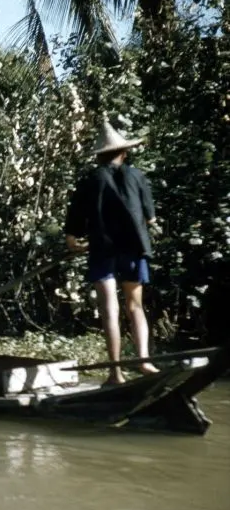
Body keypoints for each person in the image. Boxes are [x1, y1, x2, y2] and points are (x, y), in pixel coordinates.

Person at [64, 121, 160, 385]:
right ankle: (144, 362)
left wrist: (74, 242)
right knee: (135, 305)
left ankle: (115, 373)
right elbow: (150, 219)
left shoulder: (90, 180)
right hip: (133, 247)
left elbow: (73, 227)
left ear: (98, 157)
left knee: (109, 308)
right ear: (124, 153)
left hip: (102, 249)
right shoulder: (137, 176)